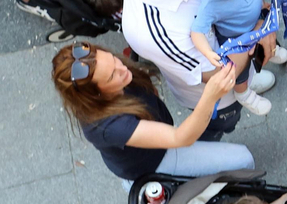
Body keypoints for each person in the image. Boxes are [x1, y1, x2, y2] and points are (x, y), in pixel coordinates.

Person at [111, 0, 265, 140]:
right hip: (221, 98)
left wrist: (260, 16)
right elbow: (219, 75)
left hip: (242, 49)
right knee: (226, 123)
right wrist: (259, 30)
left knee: (248, 73)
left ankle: (250, 79)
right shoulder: (149, 31)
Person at [53, 42, 252, 183]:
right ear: (96, 94)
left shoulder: (115, 81)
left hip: (155, 141)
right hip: (154, 161)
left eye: (114, 60)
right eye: (113, 75)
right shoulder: (109, 127)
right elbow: (179, 138)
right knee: (244, 159)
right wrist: (211, 95)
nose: (122, 68)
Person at [189, 0, 287, 116]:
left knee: (266, 33)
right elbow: (196, 31)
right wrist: (207, 52)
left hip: (255, 19)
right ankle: (243, 93)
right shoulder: (210, 4)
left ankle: (270, 51)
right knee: (239, 68)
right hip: (236, 36)